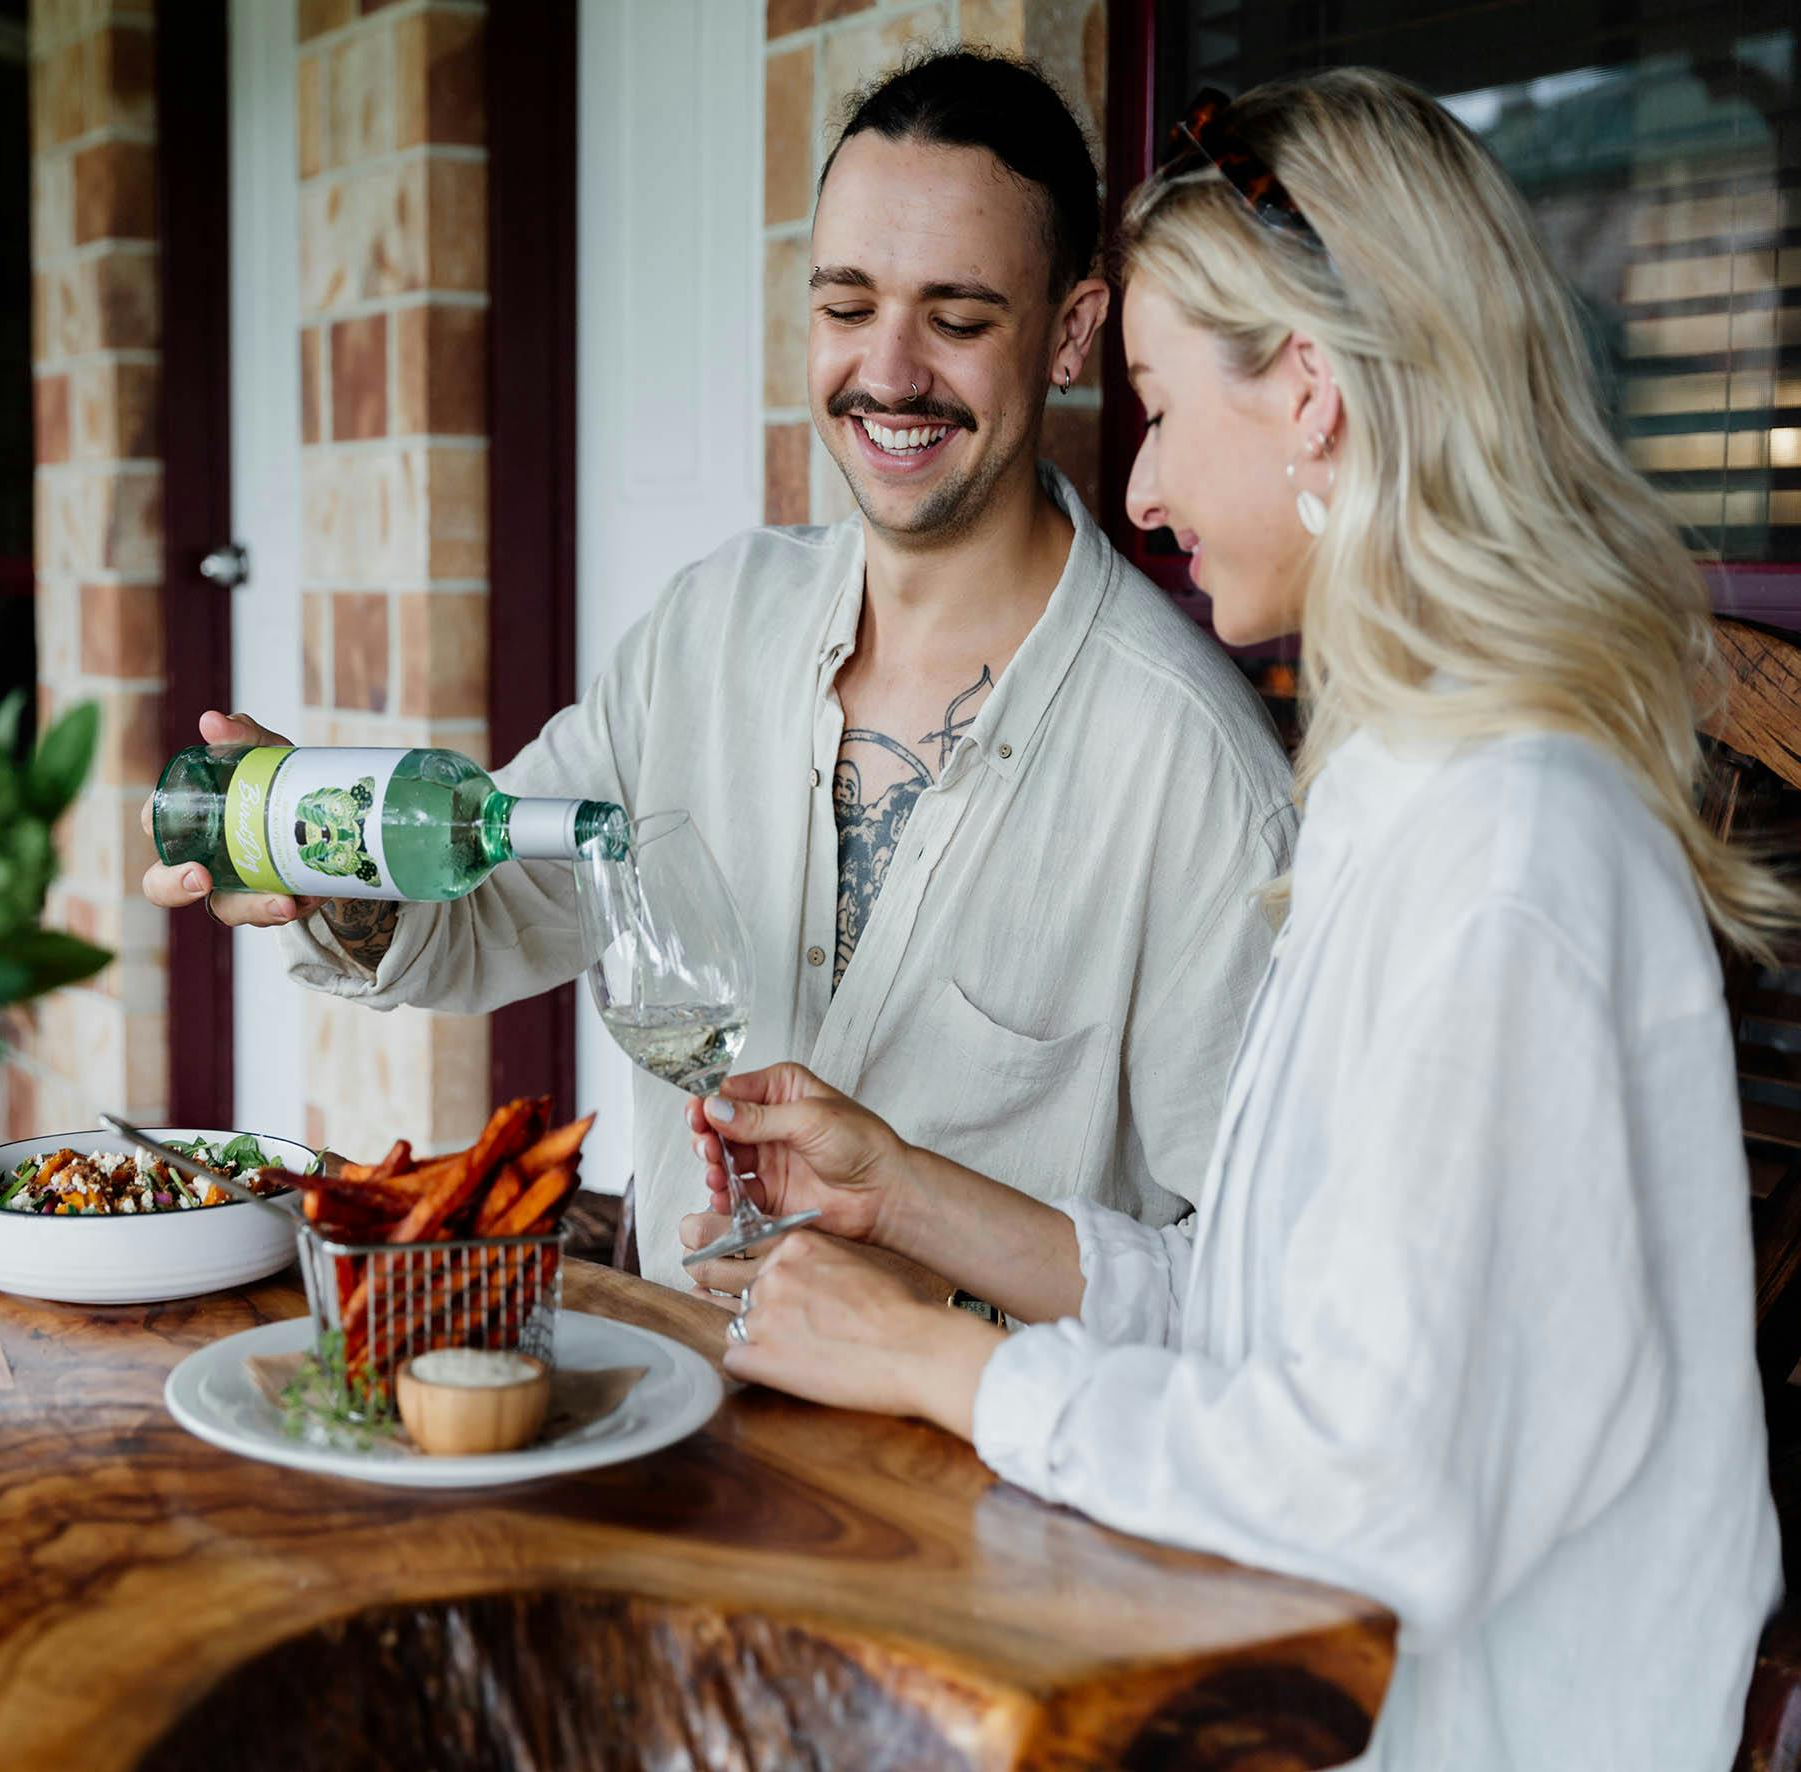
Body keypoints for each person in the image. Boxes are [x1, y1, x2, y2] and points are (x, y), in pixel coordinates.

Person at [683, 68, 1783, 1769]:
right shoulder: (1400, 792)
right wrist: (904, 1191)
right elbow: (1268, 1314)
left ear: (1312, 397)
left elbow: (1373, 1487)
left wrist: (939, 1367)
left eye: (1160, 406)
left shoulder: (1511, 861)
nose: (1137, 492)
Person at [147, 50, 1294, 1293]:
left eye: (957, 320)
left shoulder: (1198, 769)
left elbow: (1243, 1274)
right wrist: (323, 867)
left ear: (1071, 330)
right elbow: (490, 905)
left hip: (967, 1475)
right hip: (673, 1422)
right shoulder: (712, 622)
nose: (890, 372)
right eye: (846, 308)